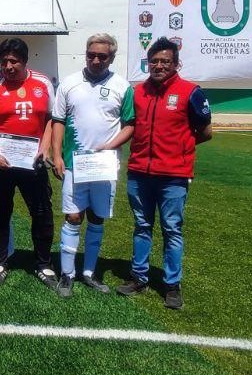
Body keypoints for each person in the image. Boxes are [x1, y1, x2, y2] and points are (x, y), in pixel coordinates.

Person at [116, 37, 212, 310]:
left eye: (165, 61)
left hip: (173, 176)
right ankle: (139, 277)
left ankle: (172, 285)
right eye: (154, 61)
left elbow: (205, 132)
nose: (159, 66)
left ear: (175, 63)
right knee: (142, 227)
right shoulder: (138, 92)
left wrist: (178, 150)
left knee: (171, 230)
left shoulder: (190, 91)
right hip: (139, 173)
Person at [52, 34, 135, 298]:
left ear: (112, 57)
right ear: (85, 54)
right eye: (91, 55)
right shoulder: (69, 83)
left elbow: (130, 124)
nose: (96, 60)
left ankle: (89, 272)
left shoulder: (122, 87)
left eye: (103, 56)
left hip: (103, 165)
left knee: (97, 218)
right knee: (73, 216)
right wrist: (57, 155)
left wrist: (109, 147)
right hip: (76, 164)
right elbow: (58, 121)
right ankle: (67, 274)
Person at [0, 38, 58, 289]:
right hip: (0, 163)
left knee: (41, 212)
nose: (8, 66)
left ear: (25, 61)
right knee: (1, 213)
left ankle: (43, 264)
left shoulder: (43, 83)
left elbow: (51, 119)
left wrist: (45, 148)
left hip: (33, 162)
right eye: (4, 61)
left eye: (13, 61)